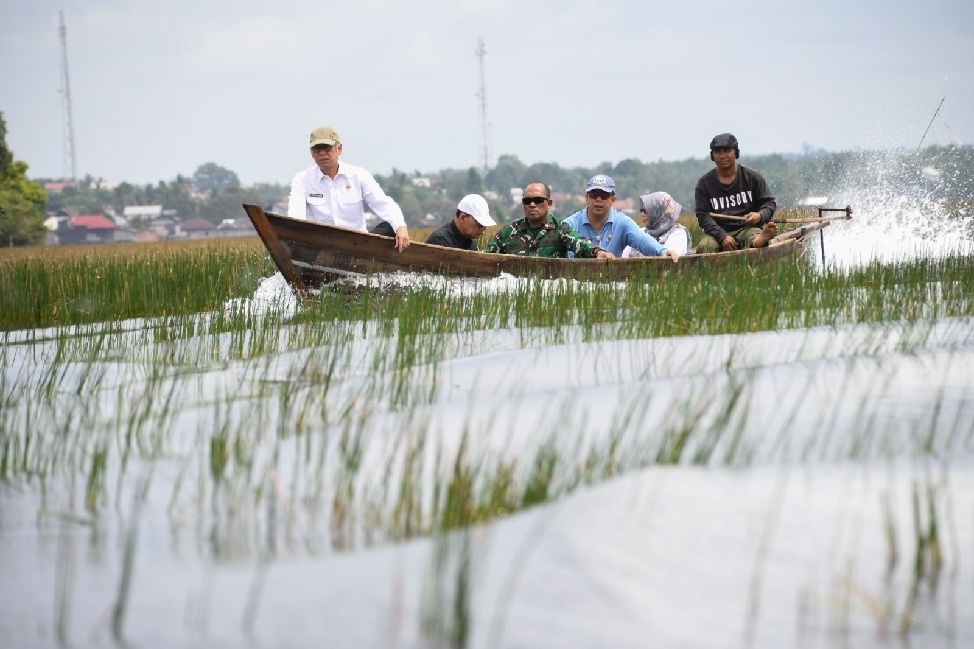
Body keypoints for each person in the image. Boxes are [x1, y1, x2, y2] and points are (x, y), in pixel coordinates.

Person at [287, 126, 410, 252]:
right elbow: (295, 216)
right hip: (320, 246)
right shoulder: (302, 179)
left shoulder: (358, 175)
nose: (322, 153)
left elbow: (382, 203)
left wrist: (400, 226)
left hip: (358, 245)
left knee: (390, 227)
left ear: (339, 149)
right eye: (317, 149)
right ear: (311, 153)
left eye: (327, 147)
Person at [484, 182, 614, 258]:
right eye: (527, 201)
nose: (532, 205)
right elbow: (486, 257)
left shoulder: (561, 229)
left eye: (538, 200)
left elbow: (580, 243)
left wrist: (598, 252)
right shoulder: (509, 231)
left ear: (549, 203)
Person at [694, 133, 777, 253]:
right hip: (717, 231)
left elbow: (769, 203)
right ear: (712, 156)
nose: (722, 156)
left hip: (747, 228)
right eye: (717, 152)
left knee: (754, 238)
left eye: (727, 151)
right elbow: (703, 217)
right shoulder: (704, 184)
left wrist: (760, 216)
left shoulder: (753, 177)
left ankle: (759, 240)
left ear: (736, 153)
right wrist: (722, 236)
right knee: (704, 247)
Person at [565, 175, 679, 262]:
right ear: (586, 198)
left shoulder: (622, 223)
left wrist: (663, 252)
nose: (598, 200)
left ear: (613, 200)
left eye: (604, 195)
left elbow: (642, 240)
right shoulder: (570, 224)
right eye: (594, 195)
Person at [622, 192, 692, 257]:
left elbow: (669, 258)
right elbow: (623, 256)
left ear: (659, 213)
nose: (642, 214)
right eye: (641, 210)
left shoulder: (677, 233)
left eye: (646, 210)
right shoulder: (640, 232)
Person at [425, 194, 496, 250]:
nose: (483, 228)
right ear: (463, 218)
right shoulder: (439, 241)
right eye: (479, 224)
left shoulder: (472, 245)